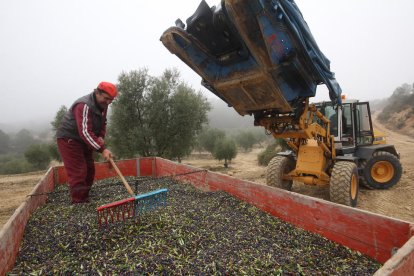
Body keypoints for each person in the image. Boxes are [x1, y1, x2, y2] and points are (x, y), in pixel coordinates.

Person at [56, 82, 117, 203]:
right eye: (106, 99)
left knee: (89, 169)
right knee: (79, 171)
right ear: (97, 92)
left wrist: (100, 136)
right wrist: (102, 149)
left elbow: (103, 123)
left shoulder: (103, 105)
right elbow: (85, 132)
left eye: (111, 100)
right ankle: (78, 202)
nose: (108, 102)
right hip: (70, 139)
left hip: (84, 140)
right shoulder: (84, 105)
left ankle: (85, 195)